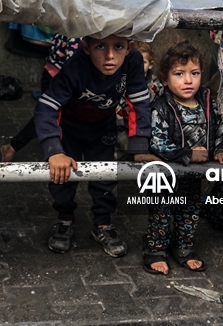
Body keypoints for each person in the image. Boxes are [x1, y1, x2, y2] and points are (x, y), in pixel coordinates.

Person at [34, 34, 152, 257]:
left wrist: (139, 148)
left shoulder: (134, 60)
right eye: (100, 46)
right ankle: (65, 219)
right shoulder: (75, 65)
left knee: (105, 177)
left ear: (129, 47)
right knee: (61, 176)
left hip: (103, 127)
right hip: (69, 128)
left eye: (118, 46)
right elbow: (46, 107)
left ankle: (103, 224)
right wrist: (54, 150)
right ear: (86, 47)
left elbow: (139, 101)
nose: (110, 56)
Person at [140, 40, 223, 275]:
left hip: (191, 175)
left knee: (189, 211)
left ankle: (183, 247)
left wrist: (220, 148)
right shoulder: (161, 107)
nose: (188, 80)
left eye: (195, 73)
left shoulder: (206, 103)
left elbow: (220, 128)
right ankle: (156, 250)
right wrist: (186, 154)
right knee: (162, 211)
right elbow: (156, 142)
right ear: (164, 78)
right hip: (165, 174)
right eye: (179, 74)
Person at [0, 34, 82, 162]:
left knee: (52, 114)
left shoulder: (77, 21)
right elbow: (74, 62)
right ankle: (13, 146)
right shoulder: (82, 29)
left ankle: (14, 146)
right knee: (51, 114)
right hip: (58, 78)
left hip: (54, 73)